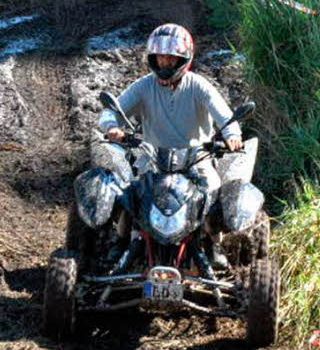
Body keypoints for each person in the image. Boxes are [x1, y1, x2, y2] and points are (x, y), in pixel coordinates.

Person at [98, 24, 242, 266]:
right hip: (153, 156)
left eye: (170, 58)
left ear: (183, 59)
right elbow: (110, 111)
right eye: (160, 57)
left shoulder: (199, 86)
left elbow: (225, 118)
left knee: (213, 191)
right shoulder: (144, 85)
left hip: (197, 157)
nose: (164, 63)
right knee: (128, 191)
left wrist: (232, 135)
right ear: (152, 58)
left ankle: (212, 242)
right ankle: (123, 240)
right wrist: (112, 126)